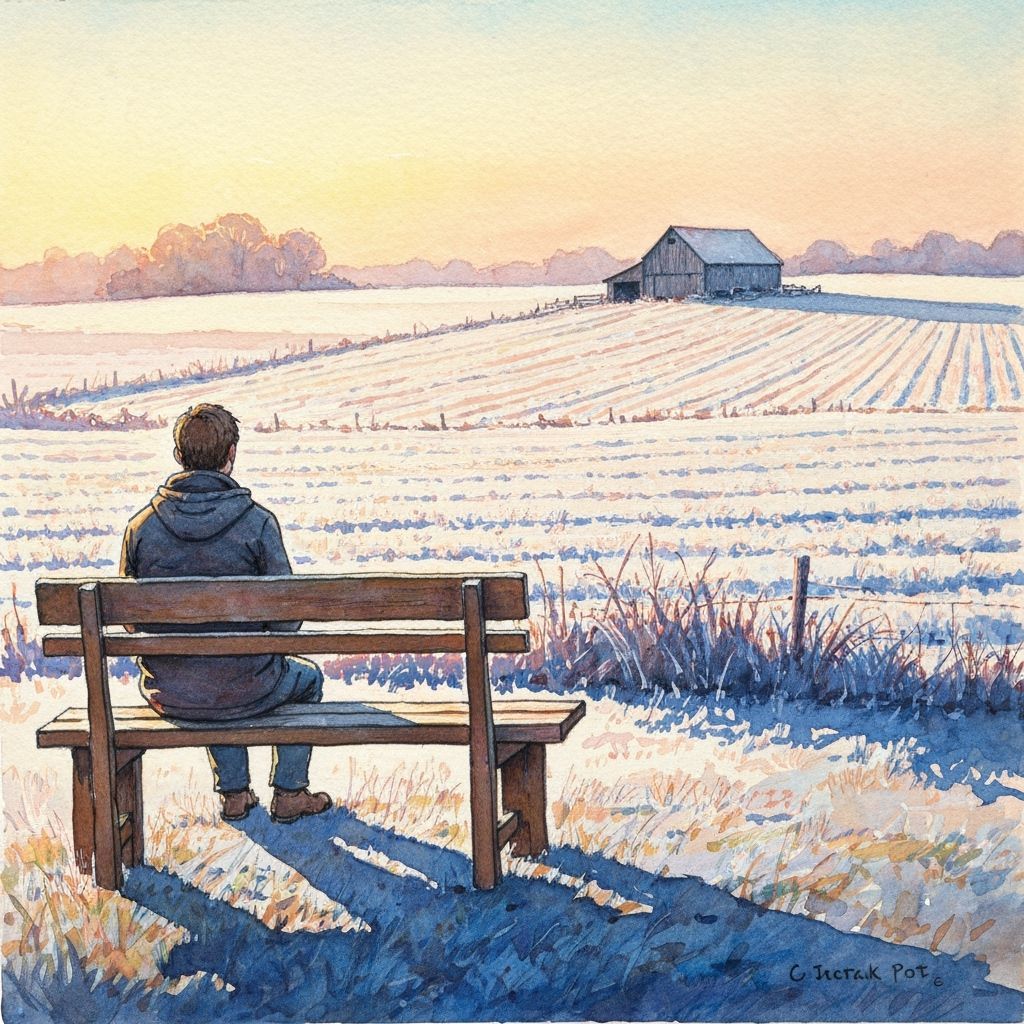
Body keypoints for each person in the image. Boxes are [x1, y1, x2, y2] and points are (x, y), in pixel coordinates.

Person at [120, 403, 331, 824]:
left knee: (207, 668)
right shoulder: (258, 524)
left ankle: (235, 793)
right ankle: (290, 791)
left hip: (172, 691)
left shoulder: (141, 527)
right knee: (305, 679)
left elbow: (131, 622)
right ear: (230, 454)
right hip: (249, 686)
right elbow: (287, 622)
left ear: (180, 455)